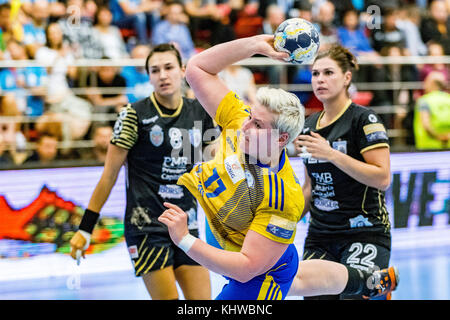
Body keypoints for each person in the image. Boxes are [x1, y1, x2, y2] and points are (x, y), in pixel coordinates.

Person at [157, 34, 399, 300]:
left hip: (260, 275)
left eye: (258, 125)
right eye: (249, 117)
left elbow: (247, 268)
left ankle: (366, 281)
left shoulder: (282, 195)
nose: (245, 128)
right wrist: (255, 46)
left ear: (281, 139)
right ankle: (367, 281)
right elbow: (197, 68)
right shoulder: (240, 121)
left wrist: (184, 239)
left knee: (293, 278)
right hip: (259, 247)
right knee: (302, 279)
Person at [69, 43, 218, 300]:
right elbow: (108, 176)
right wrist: (85, 229)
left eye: (169, 67)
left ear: (183, 70)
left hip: (187, 223)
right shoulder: (133, 115)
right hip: (147, 226)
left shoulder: (199, 112)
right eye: (154, 70)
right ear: (148, 76)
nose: (162, 75)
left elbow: (214, 165)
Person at [292, 44, 394, 300]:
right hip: (320, 236)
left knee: (353, 295)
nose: (320, 80)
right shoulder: (307, 126)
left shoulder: (364, 120)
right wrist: (284, 221)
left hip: (364, 230)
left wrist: (332, 155)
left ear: (347, 77)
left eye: (328, 73)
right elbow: (310, 187)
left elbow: (382, 178)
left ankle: (380, 290)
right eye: (315, 74)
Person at [413, 71, 450, 150]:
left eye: (426, 82)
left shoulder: (424, 101)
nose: (424, 85)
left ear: (433, 84)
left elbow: (426, 125)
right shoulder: (448, 99)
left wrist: (439, 137)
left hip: (428, 148)